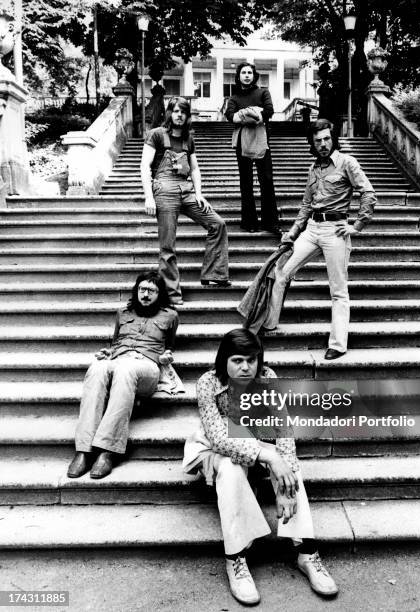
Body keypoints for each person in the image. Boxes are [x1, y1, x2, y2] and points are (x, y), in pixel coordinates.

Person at [183, 329, 338, 605]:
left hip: (250, 437)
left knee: (289, 466)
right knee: (231, 468)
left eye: (251, 360)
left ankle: (307, 552)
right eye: (237, 360)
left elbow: (283, 427)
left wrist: (285, 480)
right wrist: (270, 459)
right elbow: (220, 438)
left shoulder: (268, 377)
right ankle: (236, 559)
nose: (245, 367)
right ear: (224, 360)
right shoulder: (208, 382)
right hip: (212, 446)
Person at [262, 118, 377, 360]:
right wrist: (293, 232)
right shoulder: (313, 169)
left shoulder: (347, 162)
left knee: (338, 290)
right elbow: (306, 205)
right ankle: (269, 325)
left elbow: (368, 192)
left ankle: (338, 344)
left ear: (332, 139)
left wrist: (357, 225)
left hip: (336, 229)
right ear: (312, 144)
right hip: (312, 229)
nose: (323, 144)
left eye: (326, 139)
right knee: (281, 271)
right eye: (318, 141)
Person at [67, 272, 179, 480]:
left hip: (147, 367)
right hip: (119, 360)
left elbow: (169, 346)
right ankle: (84, 450)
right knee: (97, 368)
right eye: (142, 290)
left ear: (159, 294)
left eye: (152, 291)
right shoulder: (122, 313)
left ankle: (107, 451)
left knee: (125, 369)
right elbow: (115, 343)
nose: (146, 294)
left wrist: (166, 356)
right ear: (136, 291)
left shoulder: (170, 316)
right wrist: (107, 353)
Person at [141, 96, 230, 307]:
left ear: (187, 116)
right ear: (169, 113)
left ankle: (215, 274)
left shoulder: (189, 139)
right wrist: (148, 196)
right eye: (176, 111)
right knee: (167, 246)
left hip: (186, 188)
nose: (179, 115)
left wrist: (199, 194)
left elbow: (195, 168)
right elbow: (145, 167)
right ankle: (171, 294)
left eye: (183, 112)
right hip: (164, 189)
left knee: (217, 224)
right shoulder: (156, 135)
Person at [225, 62, 280, 236]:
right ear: (238, 76)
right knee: (246, 182)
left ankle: (270, 222)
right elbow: (230, 116)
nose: (247, 75)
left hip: (262, 139)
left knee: (267, 179)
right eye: (243, 72)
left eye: (250, 72)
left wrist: (246, 114)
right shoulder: (233, 98)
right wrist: (254, 113)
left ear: (254, 75)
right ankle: (249, 221)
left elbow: (269, 111)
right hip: (242, 142)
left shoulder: (263, 92)